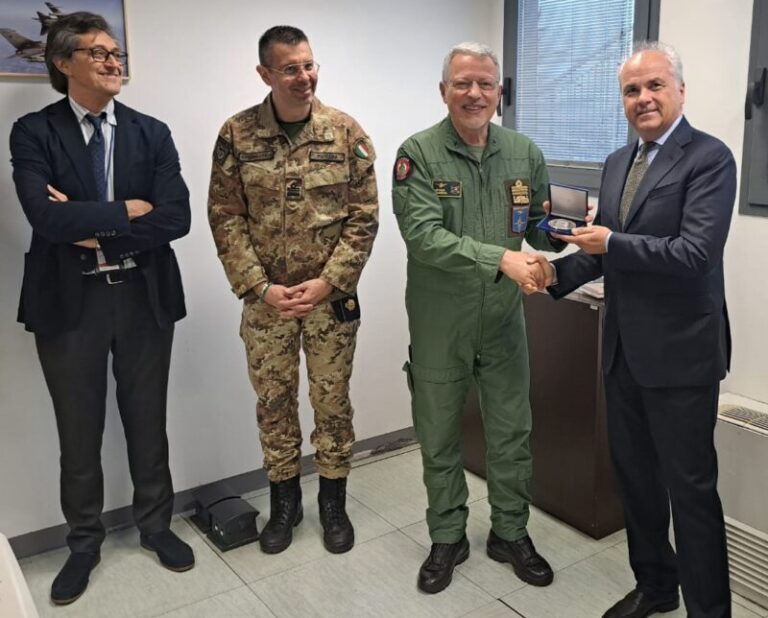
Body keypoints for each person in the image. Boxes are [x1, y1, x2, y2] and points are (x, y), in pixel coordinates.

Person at [544, 42, 734, 618]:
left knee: (690, 493)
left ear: (680, 91)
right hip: (623, 351)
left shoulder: (709, 158)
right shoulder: (617, 162)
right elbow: (604, 252)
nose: (643, 98)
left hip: (681, 358)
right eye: (631, 90)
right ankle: (656, 586)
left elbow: (695, 254)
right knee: (636, 484)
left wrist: (613, 242)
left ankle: (709, 611)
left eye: (654, 86)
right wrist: (550, 276)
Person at [9, 11, 193, 606]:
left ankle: (156, 526)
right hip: (69, 302)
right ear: (63, 63)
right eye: (99, 53)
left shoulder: (151, 131)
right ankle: (84, 542)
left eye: (117, 53)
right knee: (78, 429)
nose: (115, 62)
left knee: (148, 419)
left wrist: (95, 230)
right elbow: (45, 217)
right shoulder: (33, 131)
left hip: (143, 296)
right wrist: (126, 211)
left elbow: (177, 217)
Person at [392, 41, 560, 594]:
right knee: (439, 434)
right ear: (443, 91)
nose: (474, 93)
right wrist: (501, 259)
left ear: (499, 92)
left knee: (512, 432)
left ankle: (510, 533)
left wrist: (563, 233)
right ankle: (447, 537)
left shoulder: (523, 152)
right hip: (441, 322)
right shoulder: (418, 153)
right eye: (462, 83)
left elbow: (535, 226)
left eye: (486, 83)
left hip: (504, 322)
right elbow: (423, 237)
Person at [208, 25, 378, 556]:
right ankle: (285, 503)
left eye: (309, 65)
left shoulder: (344, 132)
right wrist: (259, 287)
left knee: (332, 402)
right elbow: (225, 217)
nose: (303, 77)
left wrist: (329, 281)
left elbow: (364, 217)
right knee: (274, 403)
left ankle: (332, 502)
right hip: (268, 305)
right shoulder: (237, 134)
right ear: (265, 73)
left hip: (330, 301)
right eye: (290, 69)